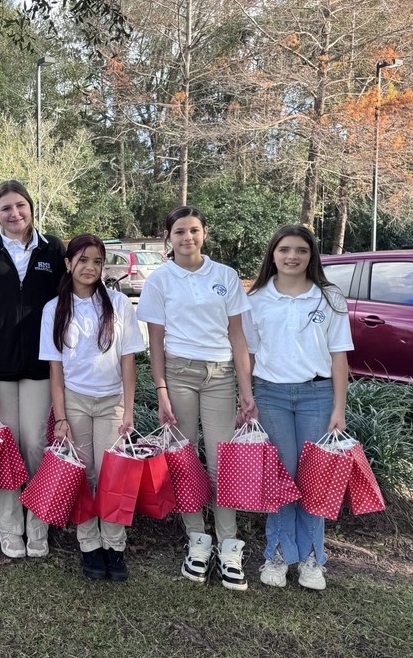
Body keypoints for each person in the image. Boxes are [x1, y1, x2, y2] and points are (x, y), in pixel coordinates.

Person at [136, 206, 255, 591]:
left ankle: (228, 544)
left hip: (220, 376)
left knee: (224, 463)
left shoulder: (225, 276)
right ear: (168, 237)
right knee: (184, 461)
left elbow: (238, 337)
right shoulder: (160, 280)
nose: (187, 238)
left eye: (194, 230)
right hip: (178, 375)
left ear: (205, 233)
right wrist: (162, 391)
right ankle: (197, 541)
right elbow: (155, 342)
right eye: (179, 232)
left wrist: (245, 391)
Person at [243, 225, 352, 591]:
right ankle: (276, 554)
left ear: (312, 255)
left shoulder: (329, 297)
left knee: (314, 480)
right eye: (284, 249)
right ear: (272, 254)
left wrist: (339, 406)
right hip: (271, 396)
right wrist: (249, 397)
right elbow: (250, 354)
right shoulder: (256, 298)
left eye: (301, 250)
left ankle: (311, 559)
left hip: (317, 396)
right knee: (281, 479)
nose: (292, 256)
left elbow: (339, 355)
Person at [39, 234, 145, 580]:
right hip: (76, 402)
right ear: (68, 264)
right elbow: (55, 369)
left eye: (97, 261)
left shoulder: (118, 304)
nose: (90, 267)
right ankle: (89, 545)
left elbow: (128, 361)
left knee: (113, 475)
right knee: (83, 475)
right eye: (82, 260)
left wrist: (128, 410)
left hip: (111, 401)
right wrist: (61, 417)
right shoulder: (54, 309)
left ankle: (114, 546)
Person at [0, 180, 64, 559]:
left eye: (21, 206)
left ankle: (38, 524)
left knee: (36, 445)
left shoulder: (54, 249)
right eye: (6, 208)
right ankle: (9, 527)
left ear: (31, 209)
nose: (15, 214)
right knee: (4, 449)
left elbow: (70, 302)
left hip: (42, 368)